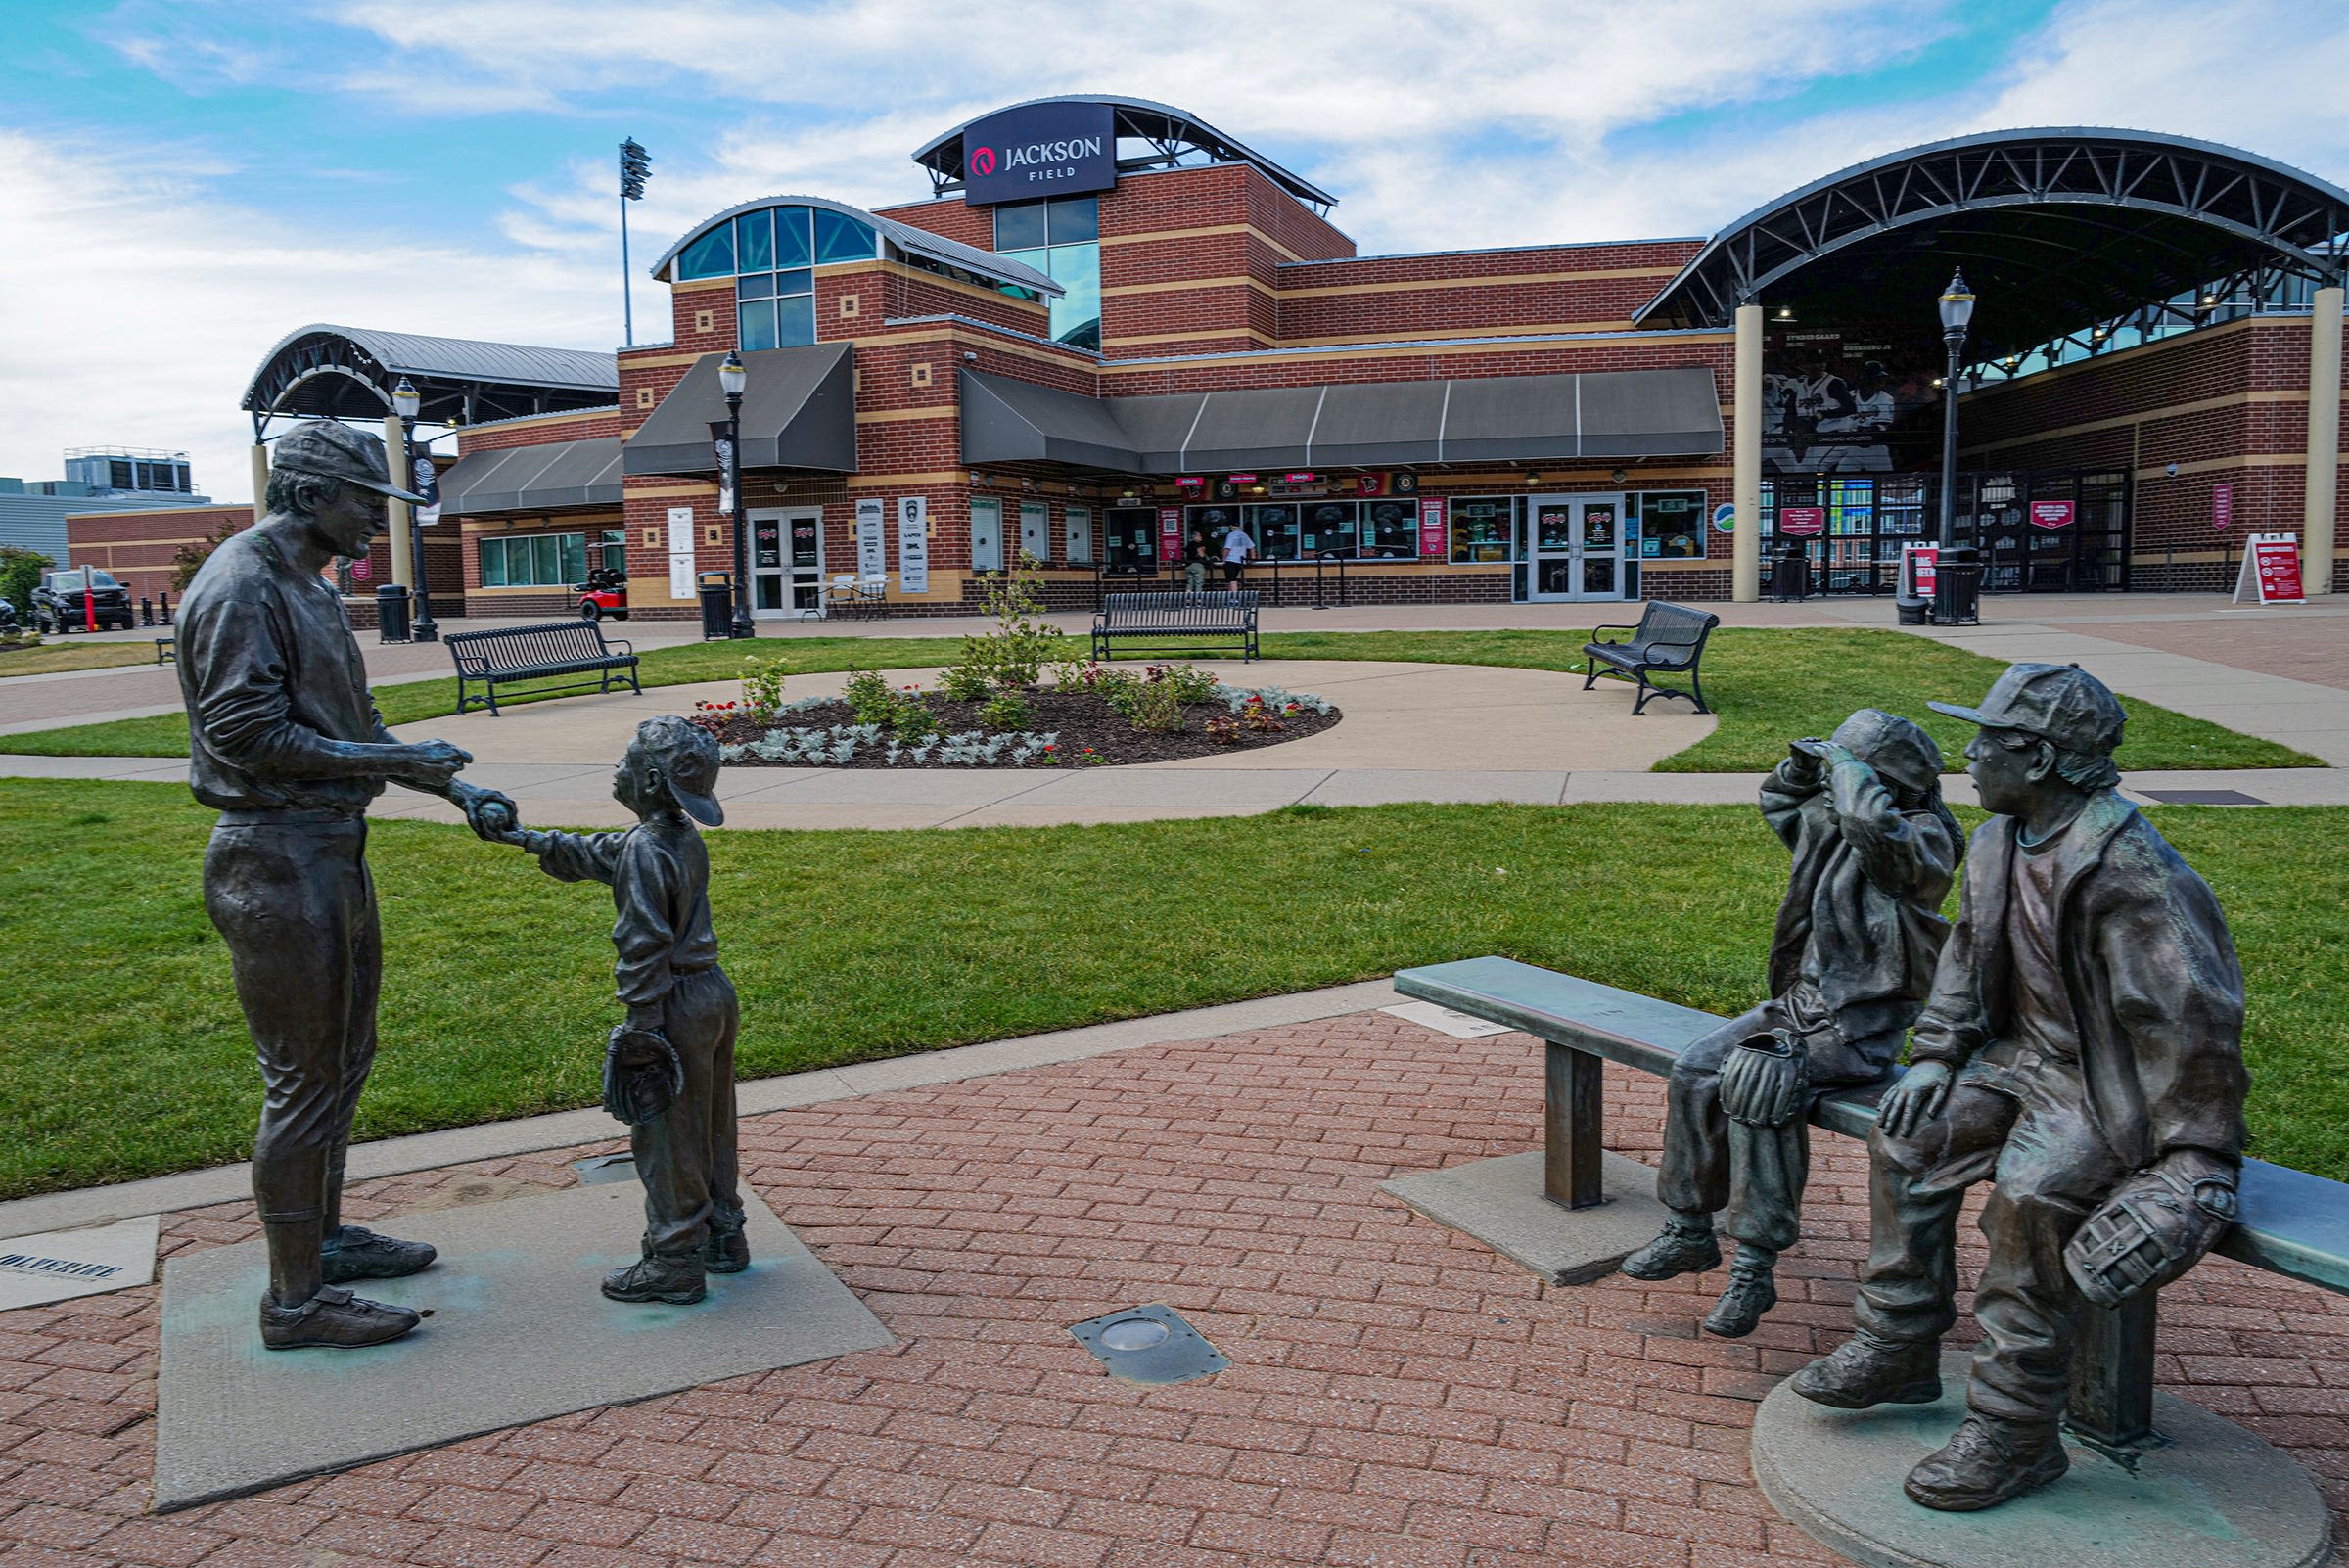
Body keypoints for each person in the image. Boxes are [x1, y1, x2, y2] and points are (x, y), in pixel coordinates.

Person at [1793, 664, 2246, 1511]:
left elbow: (2192, 1018)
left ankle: (2015, 1432)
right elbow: (1966, 960)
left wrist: (2197, 1153)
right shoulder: (2001, 837)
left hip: (2104, 1091)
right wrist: (1934, 1055)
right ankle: (1899, 1342)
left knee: (2030, 1199)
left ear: (2037, 759)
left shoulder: (2131, 871)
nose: (1967, 756)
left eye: (1986, 742)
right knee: (1908, 1137)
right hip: (2014, 1062)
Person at [176, 419, 518, 1351]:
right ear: (312, 493)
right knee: (302, 1078)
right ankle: (296, 1302)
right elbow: (248, 735)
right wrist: (396, 764)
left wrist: (455, 784)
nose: (379, 519)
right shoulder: (242, 585)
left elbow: (351, 718)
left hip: (328, 849)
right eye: (369, 501)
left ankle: (322, 1242)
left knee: (344, 1061)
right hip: (273, 856)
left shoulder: (313, 588)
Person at [1620, 710, 1961, 1337]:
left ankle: (1754, 1268)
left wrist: (1847, 768)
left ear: (1884, 782)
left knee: (1760, 1080)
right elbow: (1781, 801)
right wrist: (1802, 766)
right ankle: (1688, 1229)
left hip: (1860, 1027)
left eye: (1846, 774)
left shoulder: (1921, 841)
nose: (1831, 787)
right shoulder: (1834, 819)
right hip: (1798, 1006)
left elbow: (1872, 828)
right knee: (1696, 1069)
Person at [495, 715, 744, 1305]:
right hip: (711, 993)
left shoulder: (646, 848)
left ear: (651, 779)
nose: (616, 768)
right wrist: (522, 837)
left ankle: (674, 1259)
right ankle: (723, 1235)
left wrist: (640, 1026)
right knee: (711, 1123)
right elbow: (599, 852)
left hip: (672, 1003)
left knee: (664, 1137)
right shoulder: (675, 837)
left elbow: (643, 942)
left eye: (625, 760)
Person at [1221, 520, 1257, 588]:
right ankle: (1230, 597)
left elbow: (1227, 548)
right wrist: (1252, 558)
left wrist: (1223, 559)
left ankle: (1234, 597)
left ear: (1231, 527)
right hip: (1240, 560)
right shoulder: (1244, 535)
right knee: (1232, 579)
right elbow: (1252, 547)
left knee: (1232, 580)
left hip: (1231, 559)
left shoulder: (1231, 535)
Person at [1184, 529, 1211, 594]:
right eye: (1199, 536)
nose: (1201, 537)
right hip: (1197, 565)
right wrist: (1204, 551)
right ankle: (1198, 601)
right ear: (1195, 537)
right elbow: (1201, 555)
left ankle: (1188, 600)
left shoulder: (1189, 544)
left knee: (1189, 584)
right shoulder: (1198, 544)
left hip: (1188, 565)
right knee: (1198, 583)